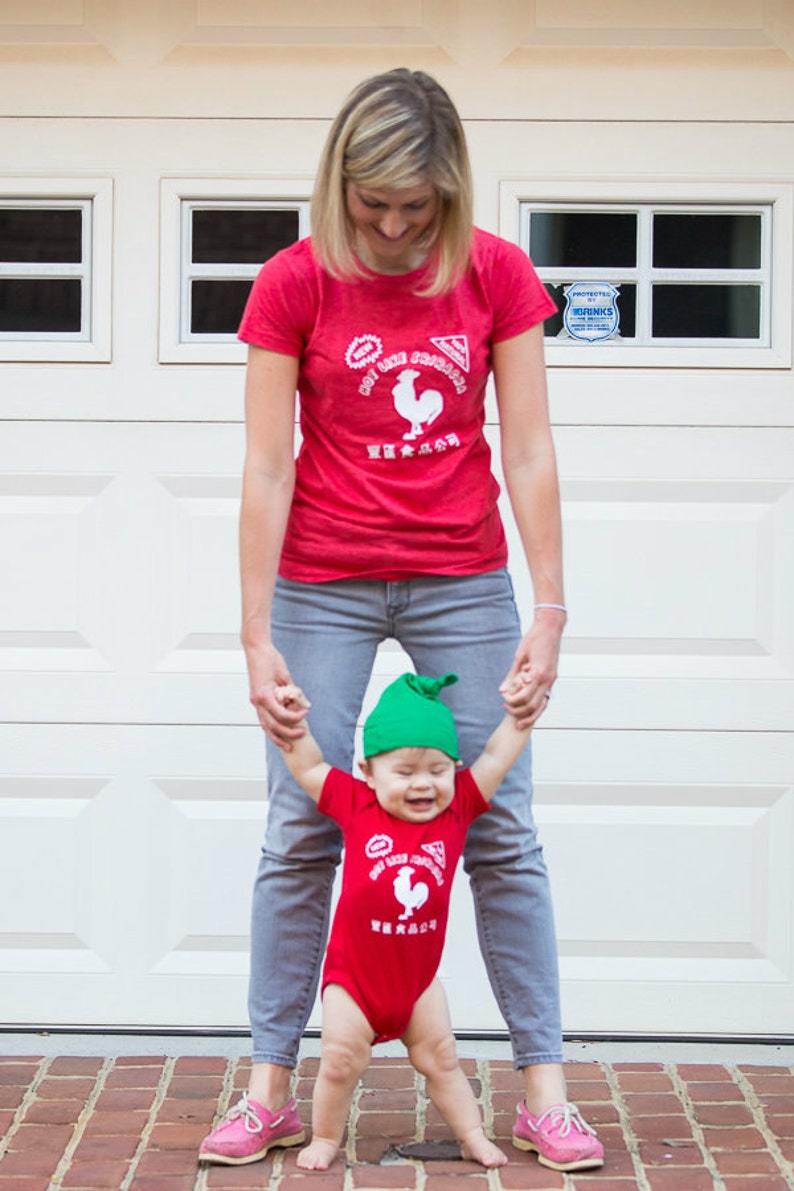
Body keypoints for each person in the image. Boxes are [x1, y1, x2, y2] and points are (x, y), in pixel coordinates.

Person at [198, 67, 604, 1174]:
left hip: (460, 574)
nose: (388, 228)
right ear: (340, 185)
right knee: (299, 831)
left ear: (449, 194)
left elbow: (525, 449)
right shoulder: (292, 284)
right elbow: (265, 466)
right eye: (371, 205)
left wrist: (550, 606)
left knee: (502, 832)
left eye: (412, 210)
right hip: (319, 579)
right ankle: (272, 1086)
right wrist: (253, 634)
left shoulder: (497, 275)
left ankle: (542, 1092)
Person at [273, 671, 529, 1170]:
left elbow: (496, 758)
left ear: (454, 768)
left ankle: (473, 1135)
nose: (423, 783)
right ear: (369, 772)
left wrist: (519, 719)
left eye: (438, 769)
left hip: (417, 985)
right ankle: (325, 1138)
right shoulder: (356, 804)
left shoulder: (458, 813)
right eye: (405, 770)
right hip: (353, 981)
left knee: (444, 1060)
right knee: (340, 1061)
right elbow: (307, 769)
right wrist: (294, 724)